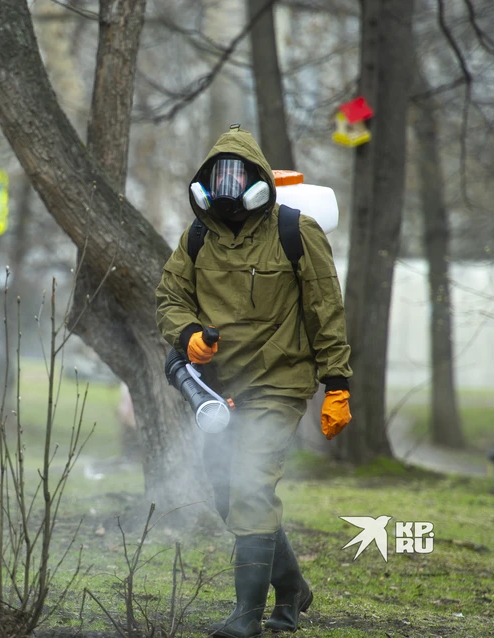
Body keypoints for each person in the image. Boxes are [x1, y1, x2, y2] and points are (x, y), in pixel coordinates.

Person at [155, 125, 353, 638]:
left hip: (280, 384)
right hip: (222, 391)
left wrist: (337, 384)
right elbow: (170, 299)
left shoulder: (296, 231)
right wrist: (188, 334)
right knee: (228, 492)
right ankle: (291, 589)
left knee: (249, 484)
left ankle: (246, 617)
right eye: (215, 184)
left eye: (236, 183)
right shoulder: (196, 238)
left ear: (258, 183)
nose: (227, 196)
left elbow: (325, 310)